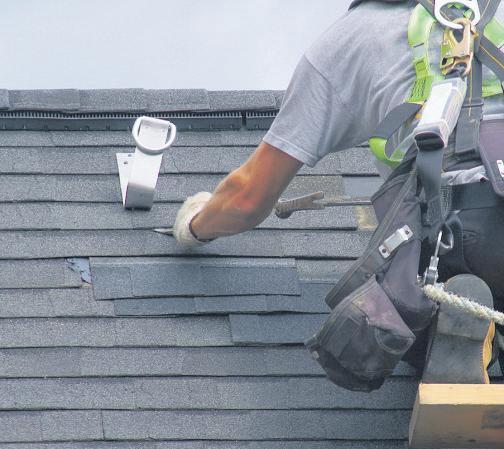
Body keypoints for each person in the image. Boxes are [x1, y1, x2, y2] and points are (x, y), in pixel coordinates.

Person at [173, 0, 504, 387]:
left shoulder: (353, 40)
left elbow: (248, 197)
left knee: (407, 307)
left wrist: (195, 225)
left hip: (457, 235)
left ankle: (453, 329)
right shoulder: (495, 16)